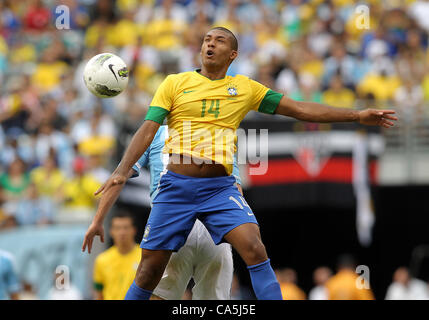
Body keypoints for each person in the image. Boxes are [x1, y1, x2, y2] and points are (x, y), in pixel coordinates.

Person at [82, 27, 397, 300]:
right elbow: (148, 127)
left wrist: (356, 116)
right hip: (175, 187)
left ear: (232, 54)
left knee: (255, 249)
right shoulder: (174, 83)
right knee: (149, 271)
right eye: (206, 39)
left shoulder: (244, 88)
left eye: (218, 40)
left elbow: (300, 109)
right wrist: (122, 170)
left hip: (219, 189)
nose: (210, 44)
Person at [89, 124, 239, 300]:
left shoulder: (152, 133)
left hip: (171, 222)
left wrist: (97, 220)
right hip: (212, 226)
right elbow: (235, 188)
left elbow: (119, 176)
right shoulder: (215, 130)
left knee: (158, 296)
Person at [93, 211, 140, 300]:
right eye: (118, 228)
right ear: (111, 231)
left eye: (126, 228)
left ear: (134, 230)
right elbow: (99, 293)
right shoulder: (102, 259)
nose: (122, 232)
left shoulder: (144, 257)